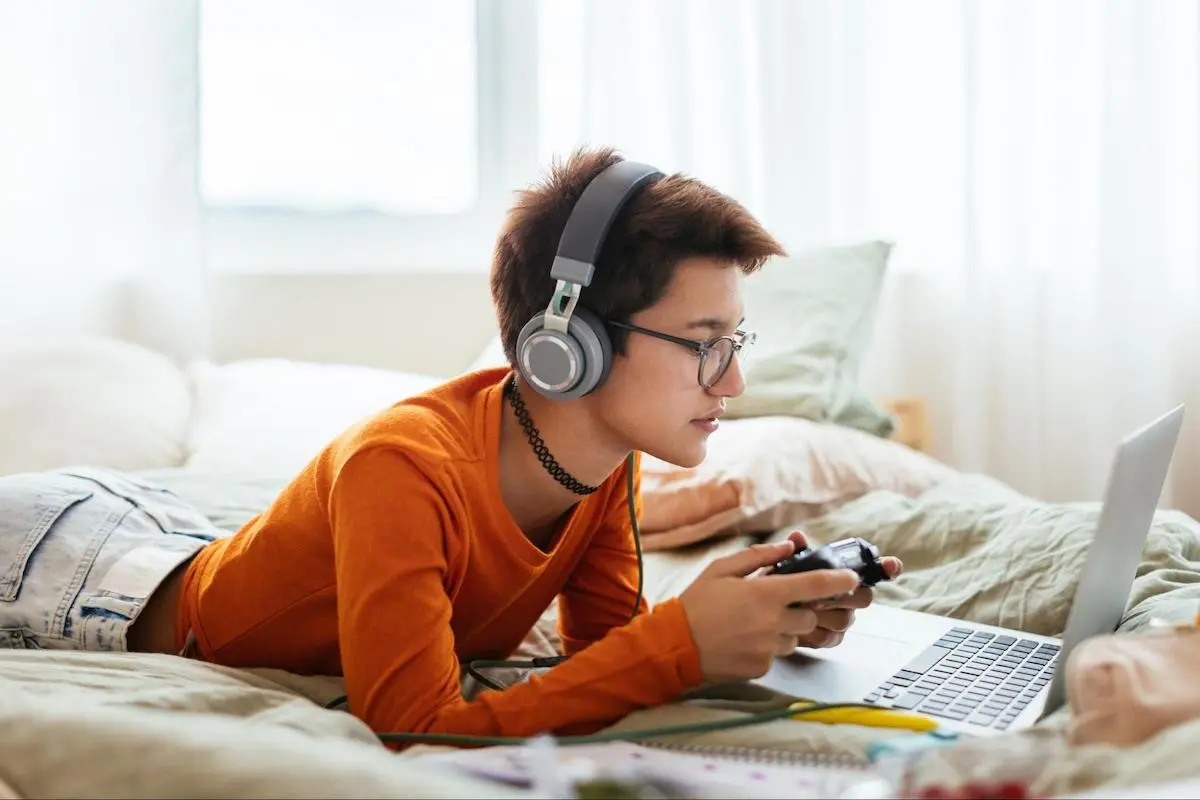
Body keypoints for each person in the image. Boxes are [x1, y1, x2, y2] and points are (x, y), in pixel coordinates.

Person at [0, 147, 902, 742]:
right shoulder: (401, 468)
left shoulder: (602, 464)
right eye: (704, 345)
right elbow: (413, 723)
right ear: (568, 343)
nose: (731, 383)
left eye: (733, 345)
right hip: (67, 566)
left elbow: (603, 661)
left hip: (163, 532)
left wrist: (755, 622)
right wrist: (678, 645)